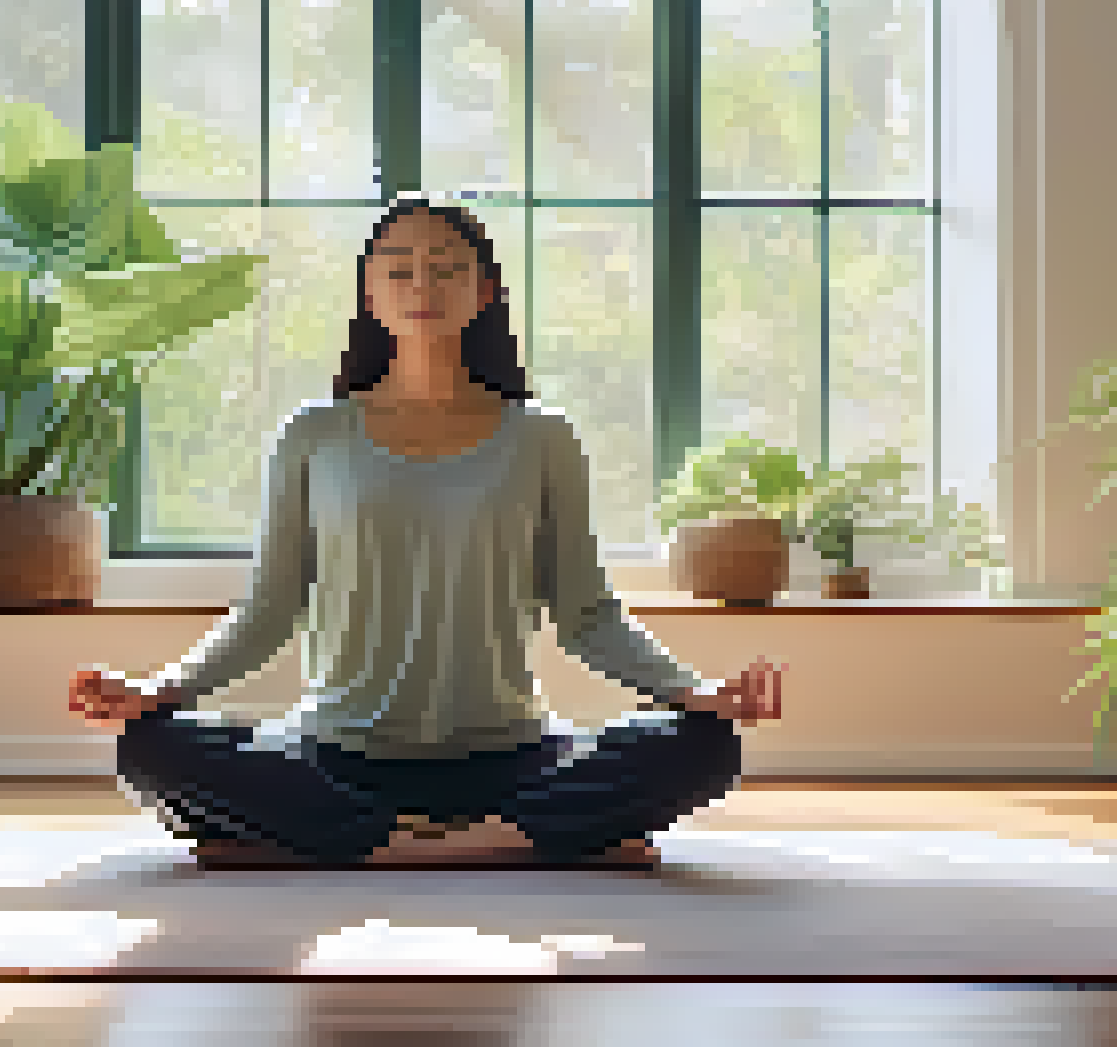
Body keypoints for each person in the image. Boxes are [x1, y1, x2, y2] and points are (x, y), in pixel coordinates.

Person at [67, 198, 785, 868]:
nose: (423, 285)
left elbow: (586, 614)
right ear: (369, 294)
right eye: (400, 269)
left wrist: (697, 694)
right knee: (153, 748)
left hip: (512, 753)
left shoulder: (542, 436)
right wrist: (157, 692)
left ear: (483, 292)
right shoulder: (315, 435)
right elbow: (268, 612)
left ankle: (351, 843)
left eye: (447, 268)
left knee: (704, 748)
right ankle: (510, 842)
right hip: (334, 752)